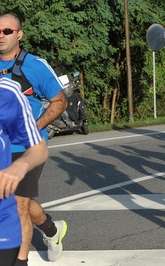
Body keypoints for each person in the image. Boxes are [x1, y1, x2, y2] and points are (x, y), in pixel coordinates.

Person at [0, 14, 68, 265]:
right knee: (17, 203)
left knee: (18, 205)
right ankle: (51, 229)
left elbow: (60, 102)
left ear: (19, 34)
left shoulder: (35, 66)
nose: (1, 34)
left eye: (7, 30)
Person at [0, 78, 48, 266]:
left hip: (20, 153)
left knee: (19, 205)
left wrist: (21, 165)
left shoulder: (8, 92)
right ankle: (50, 227)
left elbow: (38, 149)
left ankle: (21, 262)